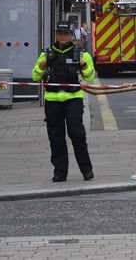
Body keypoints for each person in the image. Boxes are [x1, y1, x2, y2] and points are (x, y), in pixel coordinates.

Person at [32, 21, 96, 183]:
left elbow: (90, 77)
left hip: (73, 99)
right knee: (56, 138)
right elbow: (35, 76)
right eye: (59, 33)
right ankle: (60, 172)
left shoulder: (80, 53)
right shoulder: (47, 53)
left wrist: (83, 64)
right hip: (52, 101)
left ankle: (86, 170)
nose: (62, 36)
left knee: (77, 134)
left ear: (70, 35)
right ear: (56, 34)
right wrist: (42, 65)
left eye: (65, 33)